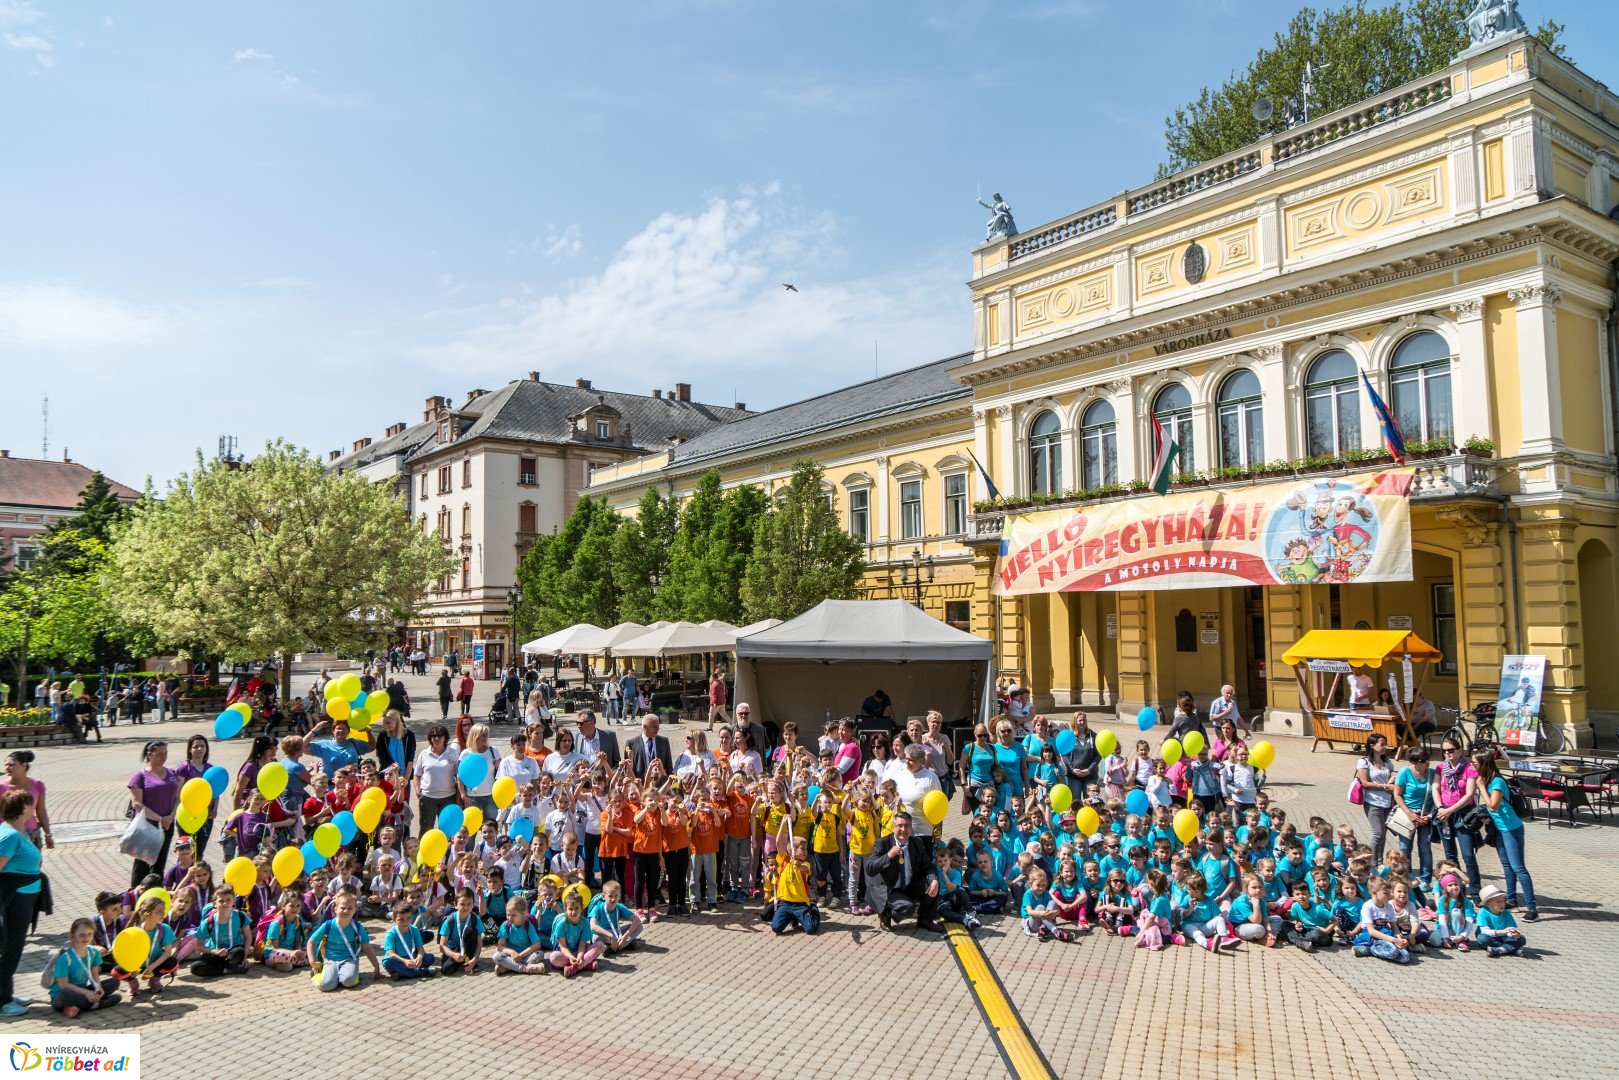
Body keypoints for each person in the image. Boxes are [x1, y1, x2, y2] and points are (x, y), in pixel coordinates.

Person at [1474, 752, 1536, 920]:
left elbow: (1493, 806)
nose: (1473, 766)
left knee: (1518, 868)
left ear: (1484, 764)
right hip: (1499, 829)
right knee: (1507, 866)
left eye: (1475, 763)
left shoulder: (1497, 782)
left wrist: (1480, 787)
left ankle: (1532, 908)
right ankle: (1511, 899)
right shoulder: (1488, 781)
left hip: (1511, 829)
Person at [863, 812, 942, 933]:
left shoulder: (917, 843)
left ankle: (925, 919)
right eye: (900, 825)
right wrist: (888, 855)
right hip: (889, 888)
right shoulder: (882, 843)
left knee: (933, 884)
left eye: (907, 826)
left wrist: (934, 880)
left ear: (911, 828)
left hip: (909, 885)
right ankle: (885, 913)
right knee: (907, 908)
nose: (903, 829)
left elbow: (928, 866)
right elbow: (870, 869)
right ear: (893, 827)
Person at [0, 790, 42, 1016]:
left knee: (14, 948)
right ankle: (3, 1003)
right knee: (9, 949)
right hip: (14, 899)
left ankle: (7, 994)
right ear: (20, 808)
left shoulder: (21, 831)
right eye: (30, 804)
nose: (34, 806)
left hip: (25, 897)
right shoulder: (9, 836)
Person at [1433, 738, 1482, 898]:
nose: (1447, 753)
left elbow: (1469, 795)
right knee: (1450, 855)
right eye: (1444, 750)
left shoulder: (1469, 768)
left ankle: (1475, 890)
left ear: (1459, 750)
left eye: (1451, 750)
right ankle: (1457, 888)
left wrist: (1450, 810)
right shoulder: (1440, 768)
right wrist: (1441, 808)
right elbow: (1435, 788)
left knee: (1468, 855)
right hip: (1444, 815)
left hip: (1463, 815)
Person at [127, 740, 179, 887]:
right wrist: (160, 819)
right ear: (149, 755)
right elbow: (137, 804)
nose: (163, 757)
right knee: (142, 864)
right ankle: (136, 894)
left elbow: (177, 797)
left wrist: (170, 816)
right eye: (160, 754)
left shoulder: (171, 773)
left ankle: (156, 894)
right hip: (147, 826)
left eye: (165, 754)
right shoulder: (140, 776)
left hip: (167, 825)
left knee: (160, 863)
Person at [307, 892, 381, 991]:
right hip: (330, 960)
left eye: (350, 908)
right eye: (342, 908)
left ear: (355, 910)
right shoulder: (328, 925)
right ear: (335, 909)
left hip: (349, 959)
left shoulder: (357, 927)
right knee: (326, 986)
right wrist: (312, 961)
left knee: (348, 982)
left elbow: (366, 946)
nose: (346, 911)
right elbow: (311, 942)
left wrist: (376, 965)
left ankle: (341, 975)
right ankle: (319, 975)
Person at [49, 917, 121, 1018]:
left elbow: (95, 974)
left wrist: (98, 988)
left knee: (114, 982)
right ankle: (96, 1004)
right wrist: (87, 992)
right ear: (72, 936)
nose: (86, 938)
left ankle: (81, 1005)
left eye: (89, 934)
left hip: (82, 991)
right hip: (63, 994)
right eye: (81, 935)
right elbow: (63, 985)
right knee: (64, 996)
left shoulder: (94, 952)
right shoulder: (65, 957)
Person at [1393, 748, 1437, 889]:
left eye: (1427, 759)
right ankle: (1406, 877)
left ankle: (1425, 879)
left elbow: (1438, 795)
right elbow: (1397, 794)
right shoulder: (1404, 772)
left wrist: (1430, 815)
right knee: (1405, 848)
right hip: (1408, 815)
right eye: (1422, 761)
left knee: (1425, 847)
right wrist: (1409, 813)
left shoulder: (1432, 773)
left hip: (1426, 815)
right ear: (1413, 762)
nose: (1427, 763)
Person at [1355, 734, 1398, 862]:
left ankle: (1379, 861)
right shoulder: (1364, 762)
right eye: (1382, 744)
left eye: (1385, 744)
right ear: (1372, 746)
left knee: (1383, 834)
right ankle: (1371, 863)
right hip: (1372, 802)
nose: (1385, 747)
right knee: (1378, 833)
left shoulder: (1388, 763)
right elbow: (1365, 783)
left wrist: (1392, 780)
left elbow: (1392, 777)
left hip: (1387, 802)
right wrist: (1384, 786)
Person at [0, 751, 51, 852]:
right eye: (6, 764)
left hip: (31, 833)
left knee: (33, 865)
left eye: (11, 765)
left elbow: (41, 811)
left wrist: (48, 834)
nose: (7, 767)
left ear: (23, 765)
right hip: (7, 834)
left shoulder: (38, 785)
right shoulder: (1, 787)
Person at [413, 725, 460, 833]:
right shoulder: (424, 754)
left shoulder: (452, 753)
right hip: (428, 798)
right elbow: (417, 775)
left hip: (448, 797)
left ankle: (445, 850)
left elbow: (458, 776)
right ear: (430, 738)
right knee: (426, 829)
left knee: (447, 830)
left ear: (445, 738)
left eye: (440, 736)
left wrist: (459, 796)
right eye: (434, 736)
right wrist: (417, 790)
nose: (437, 738)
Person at [894, 744, 942, 826]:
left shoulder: (931, 778)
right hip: (902, 830)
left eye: (911, 760)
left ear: (921, 761)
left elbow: (939, 806)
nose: (907, 762)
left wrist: (937, 834)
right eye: (906, 758)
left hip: (922, 831)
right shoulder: (901, 774)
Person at [630, 715, 673, 780]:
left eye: (658, 727)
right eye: (655, 727)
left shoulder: (664, 741)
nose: (657, 729)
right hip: (641, 783)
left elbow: (669, 766)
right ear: (645, 727)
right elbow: (629, 769)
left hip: (659, 783)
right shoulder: (632, 743)